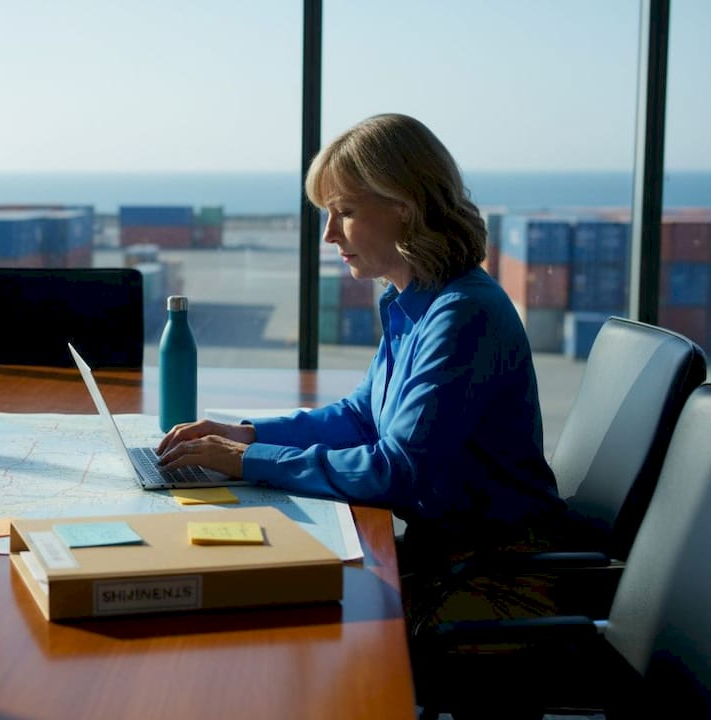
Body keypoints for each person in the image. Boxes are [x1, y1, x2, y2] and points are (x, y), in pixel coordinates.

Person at [156, 113, 566, 631]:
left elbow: (397, 471)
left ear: (403, 208)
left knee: (296, 630)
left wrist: (249, 460)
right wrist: (245, 434)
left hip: (496, 579)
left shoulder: (463, 314)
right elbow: (359, 417)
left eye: (344, 212)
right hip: (443, 560)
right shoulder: (415, 301)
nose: (328, 234)